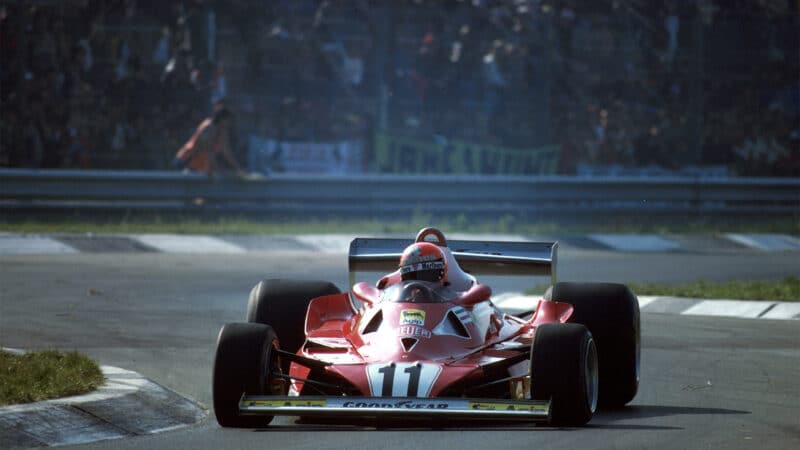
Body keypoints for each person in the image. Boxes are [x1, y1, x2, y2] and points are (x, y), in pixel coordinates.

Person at [174, 107, 244, 175]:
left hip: (200, 167)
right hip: (186, 162)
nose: (230, 123)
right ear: (223, 119)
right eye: (228, 120)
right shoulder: (208, 126)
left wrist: (238, 168)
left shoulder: (222, 131)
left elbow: (226, 151)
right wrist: (215, 167)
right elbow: (206, 148)